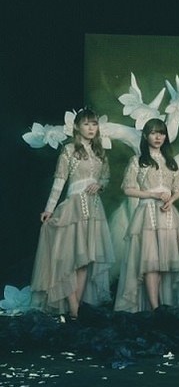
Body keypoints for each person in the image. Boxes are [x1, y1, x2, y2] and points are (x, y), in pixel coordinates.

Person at [30, 107, 115, 318]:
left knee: (84, 260)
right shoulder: (69, 150)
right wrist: (49, 209)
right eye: (86, 124)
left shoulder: (100, 152)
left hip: (94, 210)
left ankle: (75, 308)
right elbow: (59, 182)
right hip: (73, 208)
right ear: (77, 127)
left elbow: (105, 178)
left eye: (94, 124)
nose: (91, 128)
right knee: (70, 259)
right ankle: (74, 309)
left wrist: (100, 185)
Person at [115, 118, 179, 312]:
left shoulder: (171, 162)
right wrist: (152, 195)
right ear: (146, 136)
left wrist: (171, 200)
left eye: (161, 133)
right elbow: (128, 189)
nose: (158, 137)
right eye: (154, 133)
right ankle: (155, 308)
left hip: (168, 214)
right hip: (147, 214)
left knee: (165, 263)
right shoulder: (137, 161)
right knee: (151, 262)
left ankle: (160, 305)